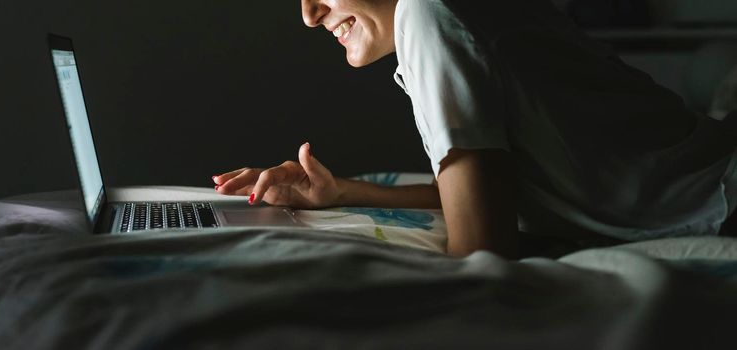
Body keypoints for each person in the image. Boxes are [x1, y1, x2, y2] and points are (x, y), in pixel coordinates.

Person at [212, 0, 737, 258]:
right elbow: (493, 195)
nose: (308, 13)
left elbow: (481, 250)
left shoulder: (427, 13)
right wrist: (343, 192)